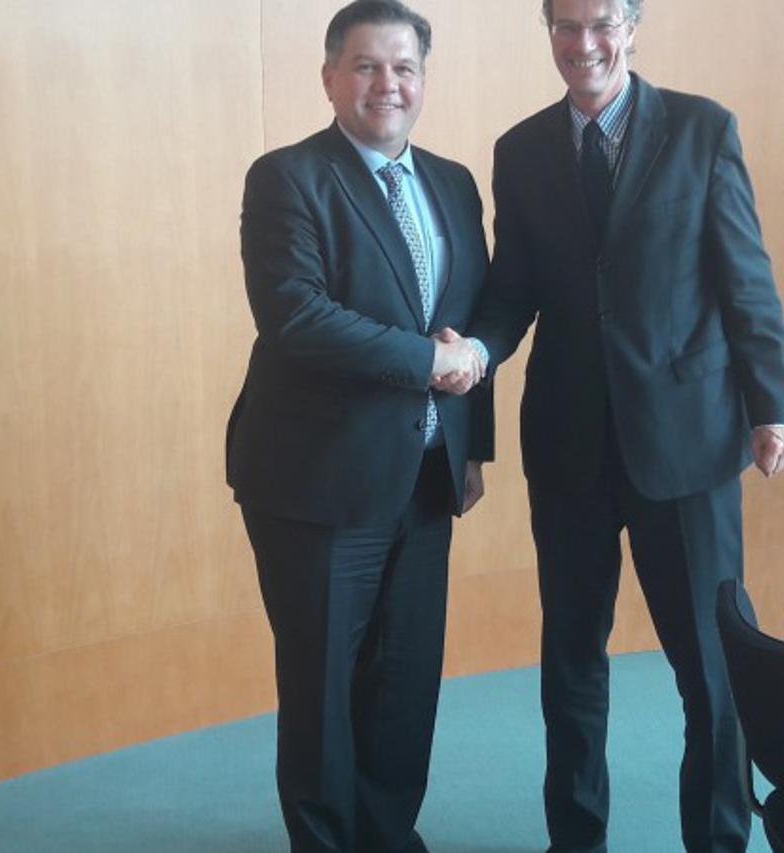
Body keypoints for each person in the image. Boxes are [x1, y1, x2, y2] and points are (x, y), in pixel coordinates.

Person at [466, 1, 784, 850]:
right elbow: (511, 292)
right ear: (549, 33)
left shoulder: (701, 130)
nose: (583, 44)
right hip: (568, 445)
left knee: (713, 666)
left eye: (601, 23)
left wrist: (774, 405)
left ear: (632, 26)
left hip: (687, 443)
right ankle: (575, 837)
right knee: (571, 662)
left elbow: (745, 278)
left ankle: (717, 838)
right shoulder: (520, 149)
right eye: (565, 26)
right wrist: (475, 349)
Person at [225, 1, 490, 850]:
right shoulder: (288, 177)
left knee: (405, 683)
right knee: (323, 688)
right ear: (330, 77)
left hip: (425, 479)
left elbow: (464, 322)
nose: (388, 85)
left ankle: (386, 834)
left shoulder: (452, 182)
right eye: (367, 66)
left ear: (423, 79)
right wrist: (426, 363)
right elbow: (295, 315)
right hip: (318, 482)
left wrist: (470, 448)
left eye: (404, 67)